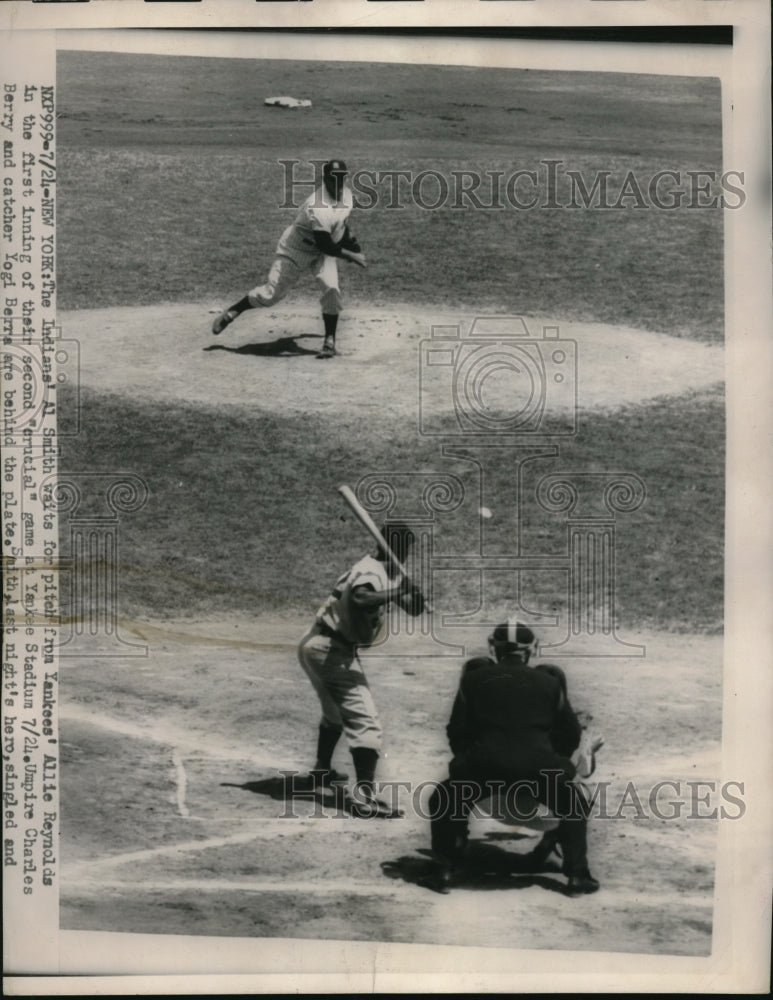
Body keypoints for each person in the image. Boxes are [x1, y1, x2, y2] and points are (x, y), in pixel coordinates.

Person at [423, 622, 602, 895]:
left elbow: (457, 731)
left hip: (485, 766)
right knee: (573, 802)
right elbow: (570, 733)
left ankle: (444, 868)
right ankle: (578, 874)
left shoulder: (473, 678)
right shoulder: (550, 682)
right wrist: (554, 760)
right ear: (532, 650)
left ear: (493, 647)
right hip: (538, 767)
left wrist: (472, 759)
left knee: (444, 797)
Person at [297, 522, 426, 817]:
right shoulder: (371, 572)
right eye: (406, 550)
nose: (407, 556)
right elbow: (360, 598)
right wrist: (396, 593)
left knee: (334, 713)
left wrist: (414, 599)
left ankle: (321, 772)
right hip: (330, 651)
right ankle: (363, 799)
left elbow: (410, 606)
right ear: (394, 548)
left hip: (318, 645)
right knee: (366, 724)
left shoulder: (380, 571)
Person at [211, 158, 366, 359]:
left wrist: (351, 241)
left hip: (322, 252)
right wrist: (351, 255)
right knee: (271, 295)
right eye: (333, 178)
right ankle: (234, 310)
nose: (338, 182)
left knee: (332, 289)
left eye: (342, 177)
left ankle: (329, 341)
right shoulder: (317, 206)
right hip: (296, 248)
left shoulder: (347, 195)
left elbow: (341, 224)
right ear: (325, 179)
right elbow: (324, 243)